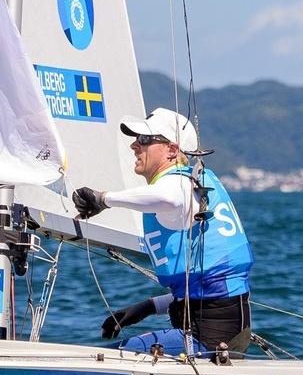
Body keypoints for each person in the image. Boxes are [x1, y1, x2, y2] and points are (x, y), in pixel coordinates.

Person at [72, 107, 254, 357]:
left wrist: (103, 199)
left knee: (99, 359)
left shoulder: (181, 186)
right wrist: (148, 307)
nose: (135, 146)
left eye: (145, 140)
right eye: (136, 140)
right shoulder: (196, 184)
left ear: (172, 149)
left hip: (209, 337)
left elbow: (170, 197)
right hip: (224, 329)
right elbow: (207, 289)